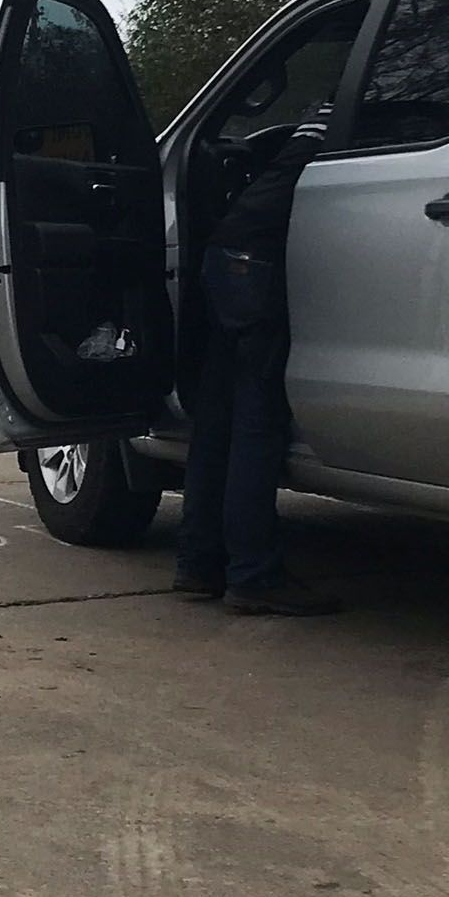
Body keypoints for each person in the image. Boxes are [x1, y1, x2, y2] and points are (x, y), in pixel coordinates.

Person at [172, 105, 344, 615]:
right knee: (257, 423)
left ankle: (198, 563)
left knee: (217, 421)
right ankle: (253, 572)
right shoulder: (350, 121)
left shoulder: (315, 119)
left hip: (227, 256)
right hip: (257, 266)